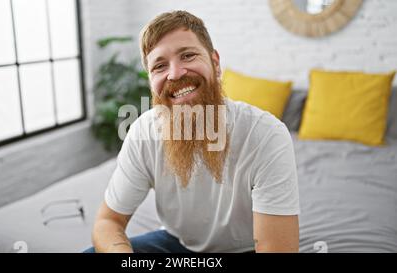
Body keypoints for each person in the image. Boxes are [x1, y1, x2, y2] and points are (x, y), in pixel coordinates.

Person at [87, 10, 299, 253]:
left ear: (215, 63)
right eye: (159, 66)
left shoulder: (267, 135)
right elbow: (107, 221)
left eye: (187, 55)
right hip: (177, 244)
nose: (175, 73)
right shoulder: (143, 132)